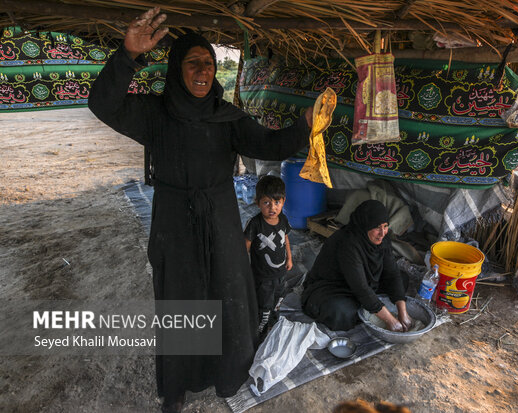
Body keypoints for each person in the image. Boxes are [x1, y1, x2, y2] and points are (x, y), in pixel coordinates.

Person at [87, 7, 313, 413]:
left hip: (222, 218)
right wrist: (127, 54)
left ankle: (229, 375)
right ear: (178, 68)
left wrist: (305, 125)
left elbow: (270, 144)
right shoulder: (155, 114)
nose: (202, 70)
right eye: (192, 62)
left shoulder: (226, 117)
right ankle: (177, 387)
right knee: (183, 299)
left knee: (227, 292)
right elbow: (102, 104)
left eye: (208, 62)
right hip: (176, 221)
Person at [302, 200, 412, 332]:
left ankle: (371, 306)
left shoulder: (383, 238)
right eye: (377, 227)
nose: (382, 233)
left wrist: (403, 312)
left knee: (401, 280)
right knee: (342, 312)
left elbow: (392, 272)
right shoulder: (347, 243)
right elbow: (359, 286)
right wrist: (390, 320)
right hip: (335, 286)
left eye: (385, 226)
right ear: (365, 226)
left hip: (364, 280)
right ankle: (370, 306)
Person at [243, 175, 292, 336]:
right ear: (257, 203)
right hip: (263, 277)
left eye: (277, 202)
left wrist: (289, 258)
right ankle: (259, 332)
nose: (272, 207)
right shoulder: (255, 224)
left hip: (280, 273)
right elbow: (246, 247)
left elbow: (285, 238)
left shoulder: (283, 219)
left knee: (278, 300)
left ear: (283, 201)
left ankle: (273, 323)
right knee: (264, 305)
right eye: (266, 203)